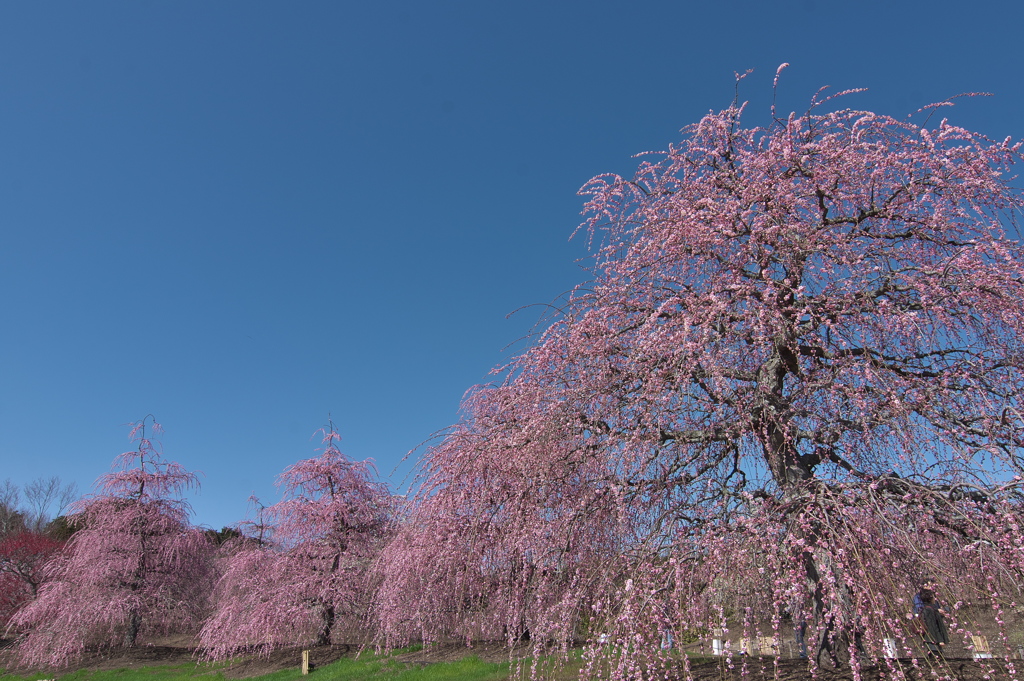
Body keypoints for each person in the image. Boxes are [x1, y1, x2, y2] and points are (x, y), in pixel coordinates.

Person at [918, 589, 949, 659]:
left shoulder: (930, 609)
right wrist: (940, 640)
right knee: (936, 660)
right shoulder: (928, 610)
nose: (935, 599)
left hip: (933, 640)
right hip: (933, 641)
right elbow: (932, 626)